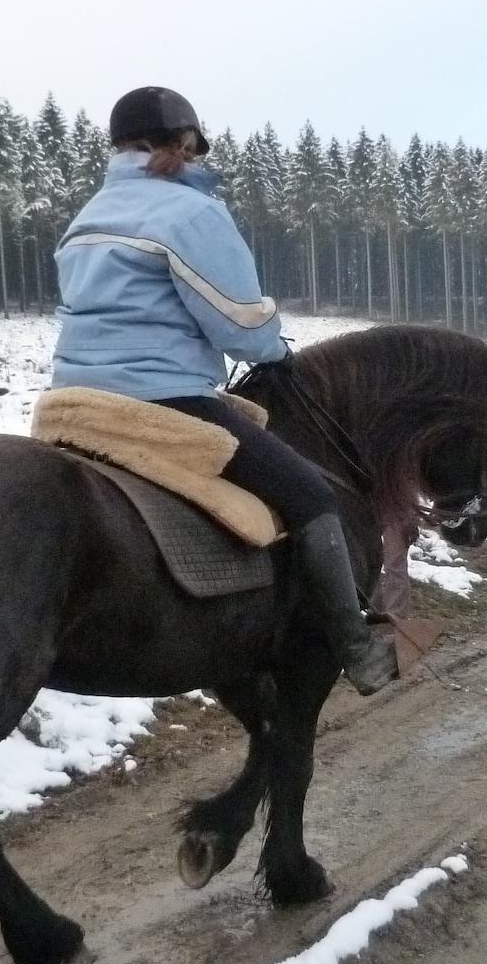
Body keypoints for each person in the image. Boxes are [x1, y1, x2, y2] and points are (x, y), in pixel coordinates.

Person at [51, 86, 400, 694]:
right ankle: (355, 645)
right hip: (164, 400)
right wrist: (274, 347)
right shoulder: (192, 214)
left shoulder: (86, 218)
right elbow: (239, 325)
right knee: (311, 494)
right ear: (187, 143)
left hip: (75, 402)